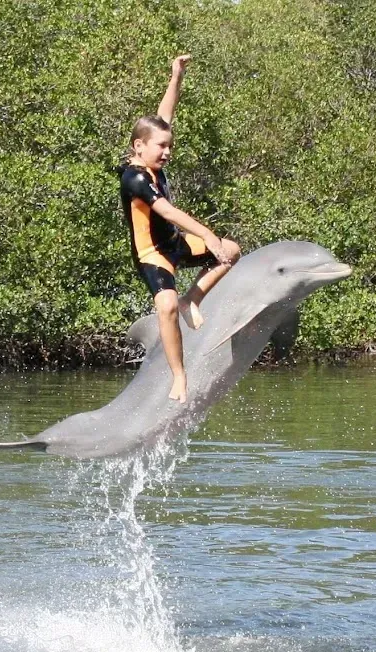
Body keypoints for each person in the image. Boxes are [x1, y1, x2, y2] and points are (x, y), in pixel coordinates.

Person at [119, 54, 241, 403]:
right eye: (162, 146)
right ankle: (178, 377)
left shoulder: (152, 150)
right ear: (139, 147)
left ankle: (194, 299)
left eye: (170, 145)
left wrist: (176, 76)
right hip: (152, 255)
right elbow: (168, 211)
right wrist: (206, 235)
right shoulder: (135, 178)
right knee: (166, 306)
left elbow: (164, 115)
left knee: (230, 252)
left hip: (173, 244)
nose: (168, 151)